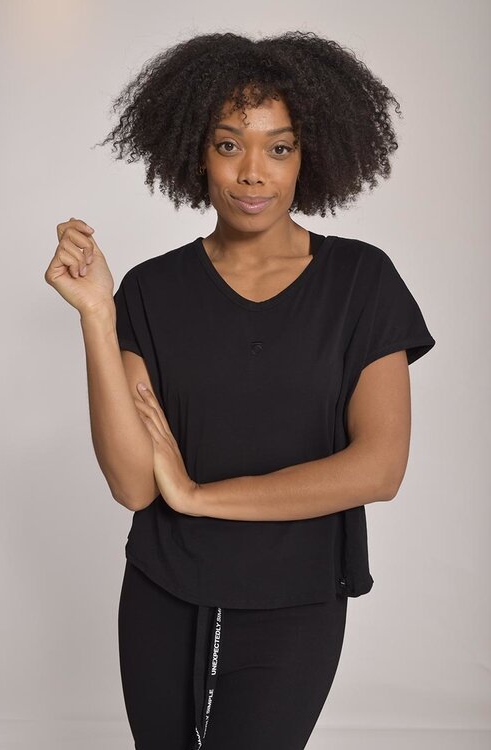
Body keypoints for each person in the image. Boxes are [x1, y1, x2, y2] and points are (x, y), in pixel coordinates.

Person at [44, 30, 436, 750]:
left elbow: (378, 469)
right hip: (162, 587)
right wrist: (98, 315)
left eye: (278, 148)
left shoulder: (361, 282)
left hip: (296, 596)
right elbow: (133, 485)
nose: (253, 173)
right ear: (197, 151)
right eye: (229, 145)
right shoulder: (151, 291)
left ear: (308, 156)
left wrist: (200, 497)